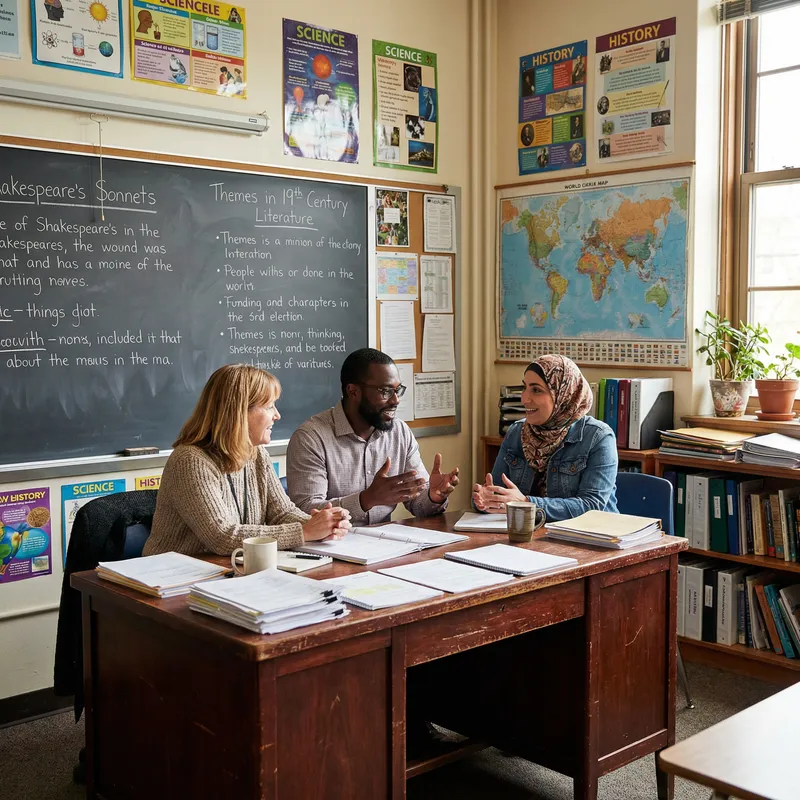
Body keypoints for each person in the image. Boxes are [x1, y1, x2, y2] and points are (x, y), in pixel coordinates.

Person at [144, 365, 351, 557]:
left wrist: (325, 524)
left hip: (230, 572)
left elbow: (281, 513)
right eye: (269, 406)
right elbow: (222, 537)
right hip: (173, 582)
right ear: (238, 412)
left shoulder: (257, 453)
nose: (277, 415)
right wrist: (305, 531)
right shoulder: (190, 460)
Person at [286, 348, 459, 525]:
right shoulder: (311, 438)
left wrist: (433, 496)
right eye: (385, 391)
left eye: (397, 390)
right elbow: (305, 512)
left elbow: (417, 502)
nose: (395, 400)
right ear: (353, 391)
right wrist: (366, 499)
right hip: (330, 546)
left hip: (385, 545)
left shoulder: (399, 432)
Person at [473, 355, 617, 521]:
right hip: (533, 536)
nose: (524, 399)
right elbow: (498, 494)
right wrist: (484, 499)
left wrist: (527, 504)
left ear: (564, 394)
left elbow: (591, 507)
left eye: (536, 390)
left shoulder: (598, 437)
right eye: (524, 387)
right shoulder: (516, 432)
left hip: (593, 539)